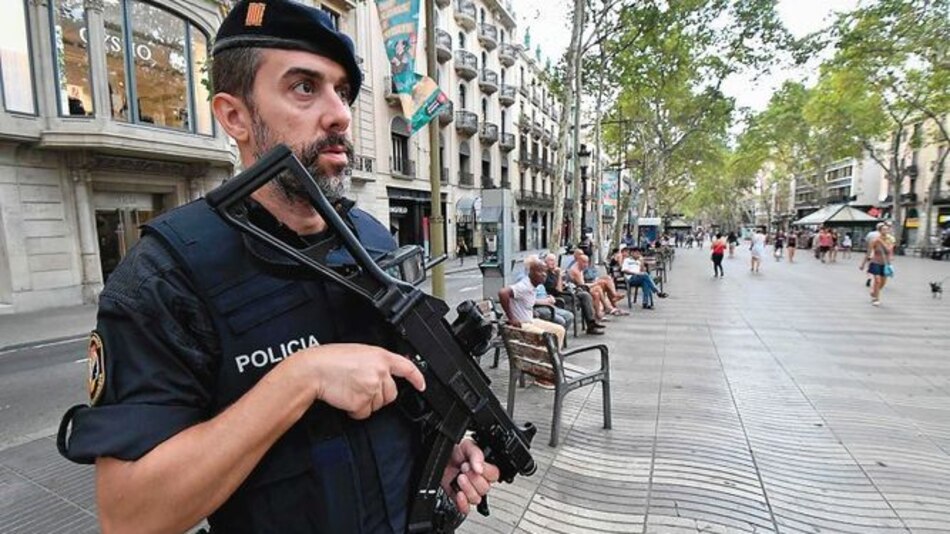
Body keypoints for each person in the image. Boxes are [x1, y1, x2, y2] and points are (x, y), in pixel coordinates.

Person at [56, 3, 497, 532]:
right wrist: (300, 379)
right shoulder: (167, 272)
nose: (337, 114)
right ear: (234, 115)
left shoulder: (376, 242)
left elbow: (399, 403)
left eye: (343, 92)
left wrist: (439, 451)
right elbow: (129, 514)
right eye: (304, 88)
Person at [498, 257, 567, 349]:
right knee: (546, 337)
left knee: (559, 330)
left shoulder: (534, 286)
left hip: (530, 320)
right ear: (531, 273)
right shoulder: (524, 286)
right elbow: (503, 293)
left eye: (545, 272)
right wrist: (512, 318)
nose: (543, 275)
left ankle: (552, 359)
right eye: (539, 271)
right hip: (522, 324)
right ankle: (545, 359)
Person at [542, 253, 603, 335]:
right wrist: (560, 275)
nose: (553, 262)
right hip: (558, 298)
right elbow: (558, 290)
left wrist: (563, 282)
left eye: (554, 260)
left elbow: (561, 285)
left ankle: (591, 323)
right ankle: (591, 324)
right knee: (585, 296)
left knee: (585, 295)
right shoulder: (545, 274)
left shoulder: (554, 272)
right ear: (545, 262)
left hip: (565, 293)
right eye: (551, 260)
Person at [862, 223, 894, 306]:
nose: (886, 231)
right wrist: (863, 264)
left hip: (885, 263)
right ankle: (876, 299)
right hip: (875, 262)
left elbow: (888, 251)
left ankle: (874, 292)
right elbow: (868, 252)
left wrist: (881, 241)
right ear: (879, 231)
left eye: (887, 229)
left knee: (883, 283)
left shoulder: (890, 240)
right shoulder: (875, 240)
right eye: (884, 229)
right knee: (877, 280)